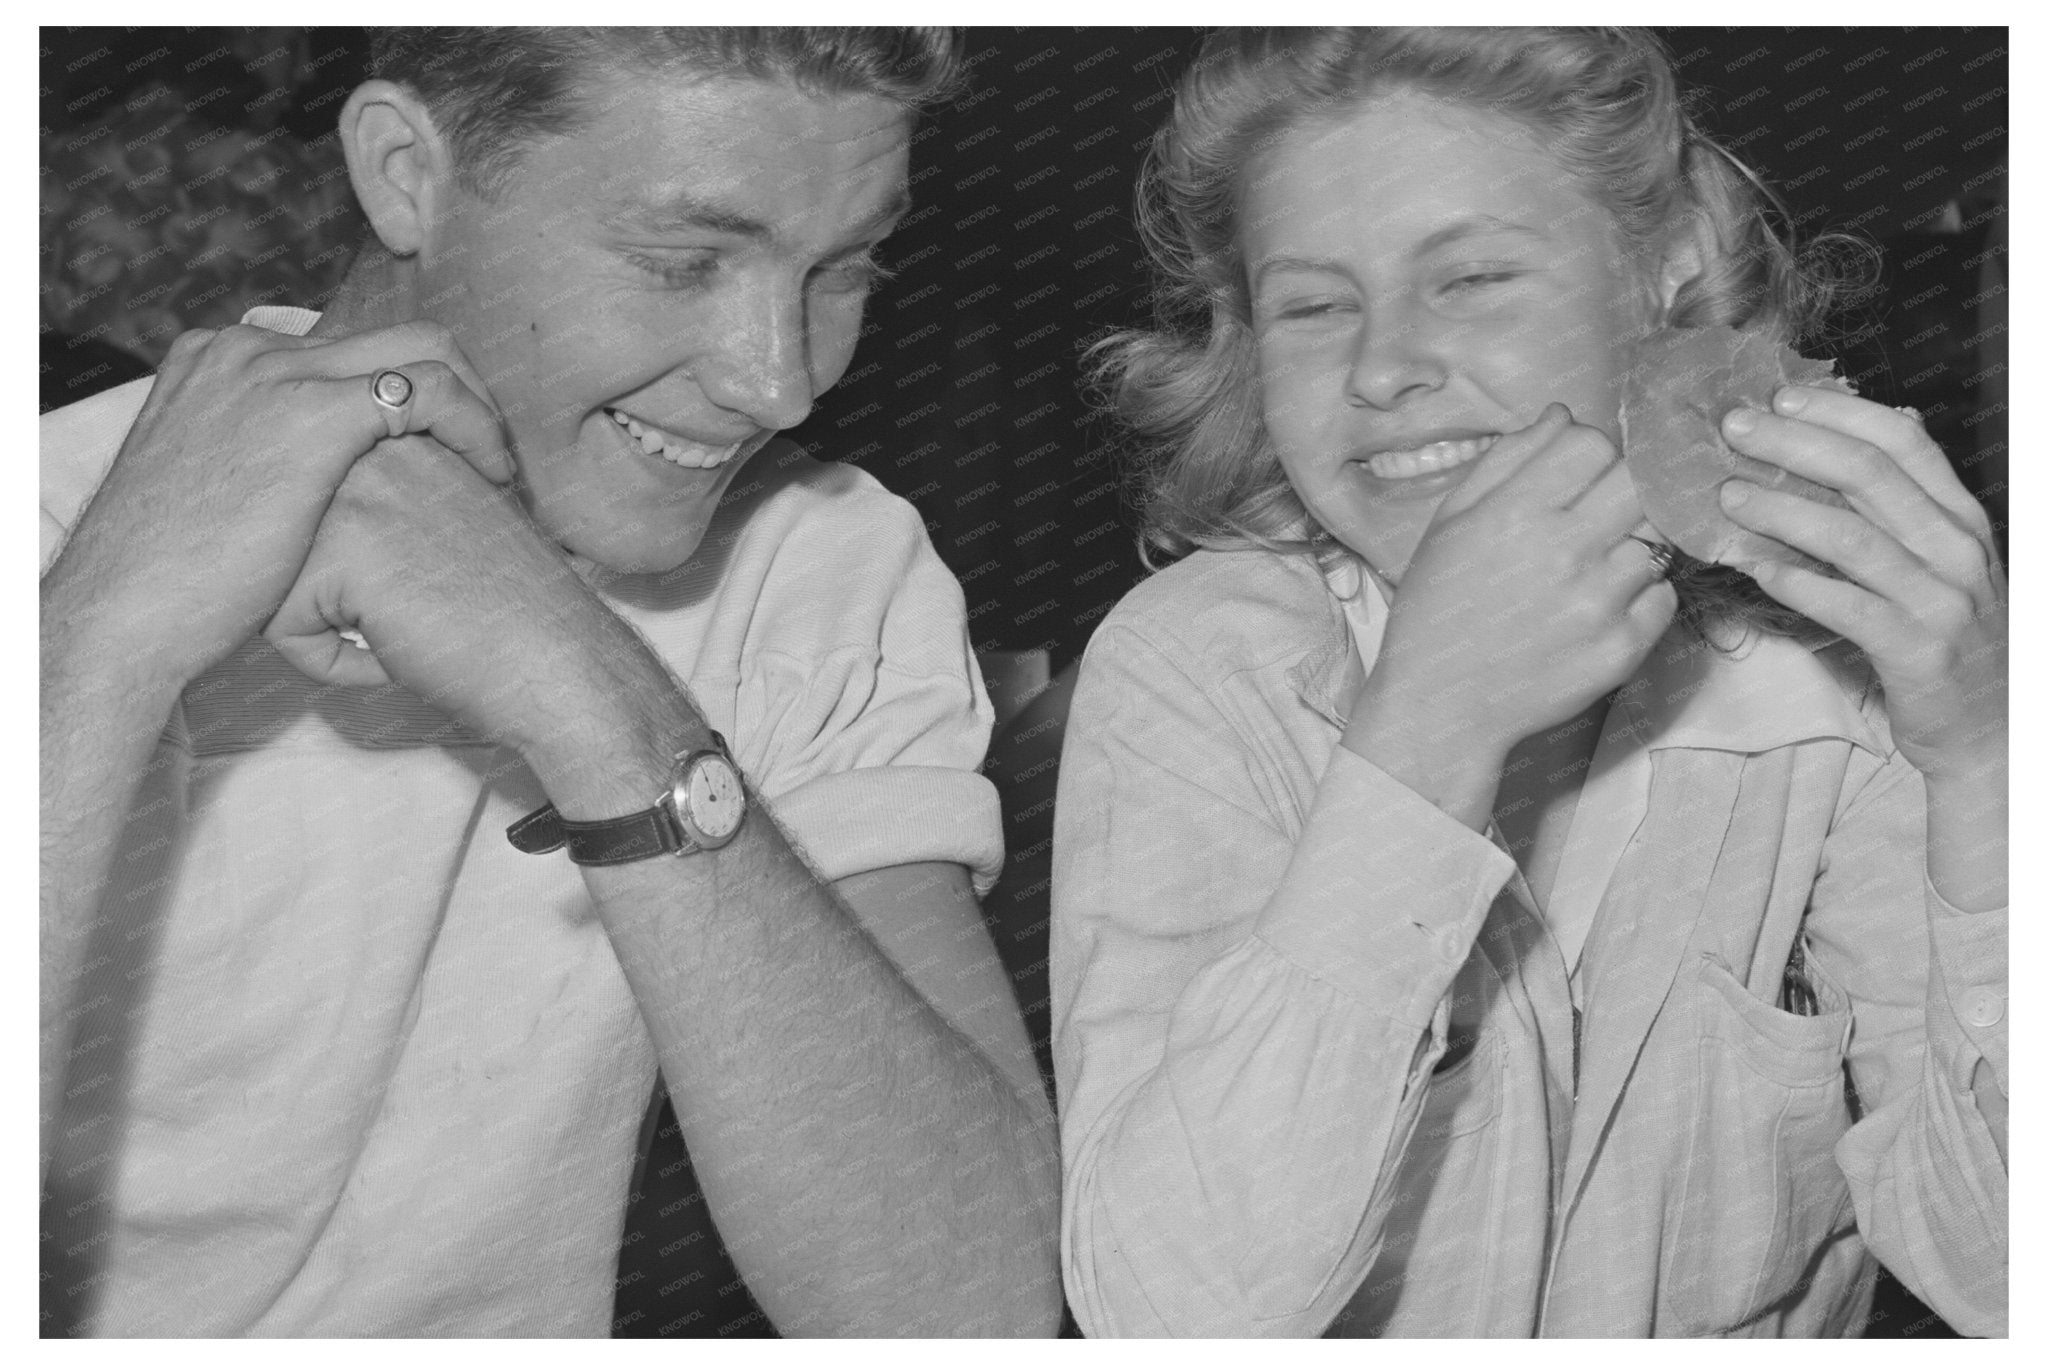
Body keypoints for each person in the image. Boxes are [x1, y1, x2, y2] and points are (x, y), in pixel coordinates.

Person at [41, 27, 1061, 1337]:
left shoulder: (823, 565)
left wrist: (590, 689)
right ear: (407, 171)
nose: (782, 379)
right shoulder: (57, 527)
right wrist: (100, 637)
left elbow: (967, 1308)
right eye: (681, 262)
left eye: (845, 264)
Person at [1053, 27, 2006, 1338]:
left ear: (1659, 284)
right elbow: (1168, 1309)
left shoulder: (1830, 674)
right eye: (1315, 304)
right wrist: (1421, 744)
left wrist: (1991, 766)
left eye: (1474, 278)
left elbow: (2000, 1268)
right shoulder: (1198, 671)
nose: (1383, 367)